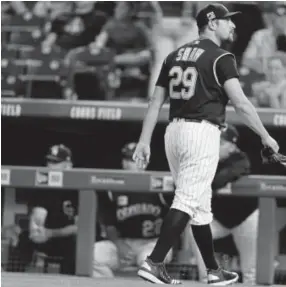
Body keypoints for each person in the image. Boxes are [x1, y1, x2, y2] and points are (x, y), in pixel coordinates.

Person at [132, 3, 279, 285]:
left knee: (200, 206)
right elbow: (241, 103)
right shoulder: (221, 56)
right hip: (201, 132)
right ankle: (154, 262)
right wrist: (265, 134)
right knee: (187, 200)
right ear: (212, 23)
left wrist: (143, 141)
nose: (232, 26)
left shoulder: (174, 54)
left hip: (172, 132)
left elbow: (155, 102)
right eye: (227, 21)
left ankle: (212, 270)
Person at [190, 124, 258, 284]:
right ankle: (208, 277)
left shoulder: (241, 159)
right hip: (219, 219)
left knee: (251, 272)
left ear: (232, 146)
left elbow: (219, 179)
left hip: (245, 219)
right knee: (194, 228)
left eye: (220, 143)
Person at [92, 142, 172, 277]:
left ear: (146, 163)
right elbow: (108, 223)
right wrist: (118, 244)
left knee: (150, 264)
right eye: (128, 159)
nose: (131, 163)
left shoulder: (161, 187)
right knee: (92, 254)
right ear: (123, 163)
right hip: (122, 242)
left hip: (152, 243)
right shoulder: (113, 189)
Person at [9, 144, 78, 275]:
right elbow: (39, 213)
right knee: (24, 239)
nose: (49, 166)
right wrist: (36, 230)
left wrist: (51, 233)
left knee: (75, 245)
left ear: (68, 165)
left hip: (65, 237)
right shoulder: (44, 186)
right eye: (49, 161)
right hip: (46, 236)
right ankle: (12, 278)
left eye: (55, 162)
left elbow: (79, 227)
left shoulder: (78, 189)